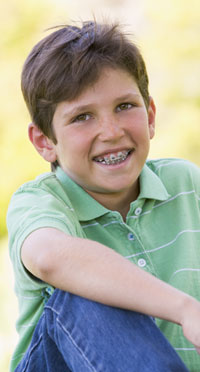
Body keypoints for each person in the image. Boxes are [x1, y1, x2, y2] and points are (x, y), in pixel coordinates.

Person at [7, 20, 200, 372]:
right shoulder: (39, 202)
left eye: (125, 106)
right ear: (44, 142)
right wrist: (186, 308)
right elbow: (50, 256)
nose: (111, 132)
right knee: (85, 292)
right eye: (82, 117)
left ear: (151, 114)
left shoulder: (186, 184)